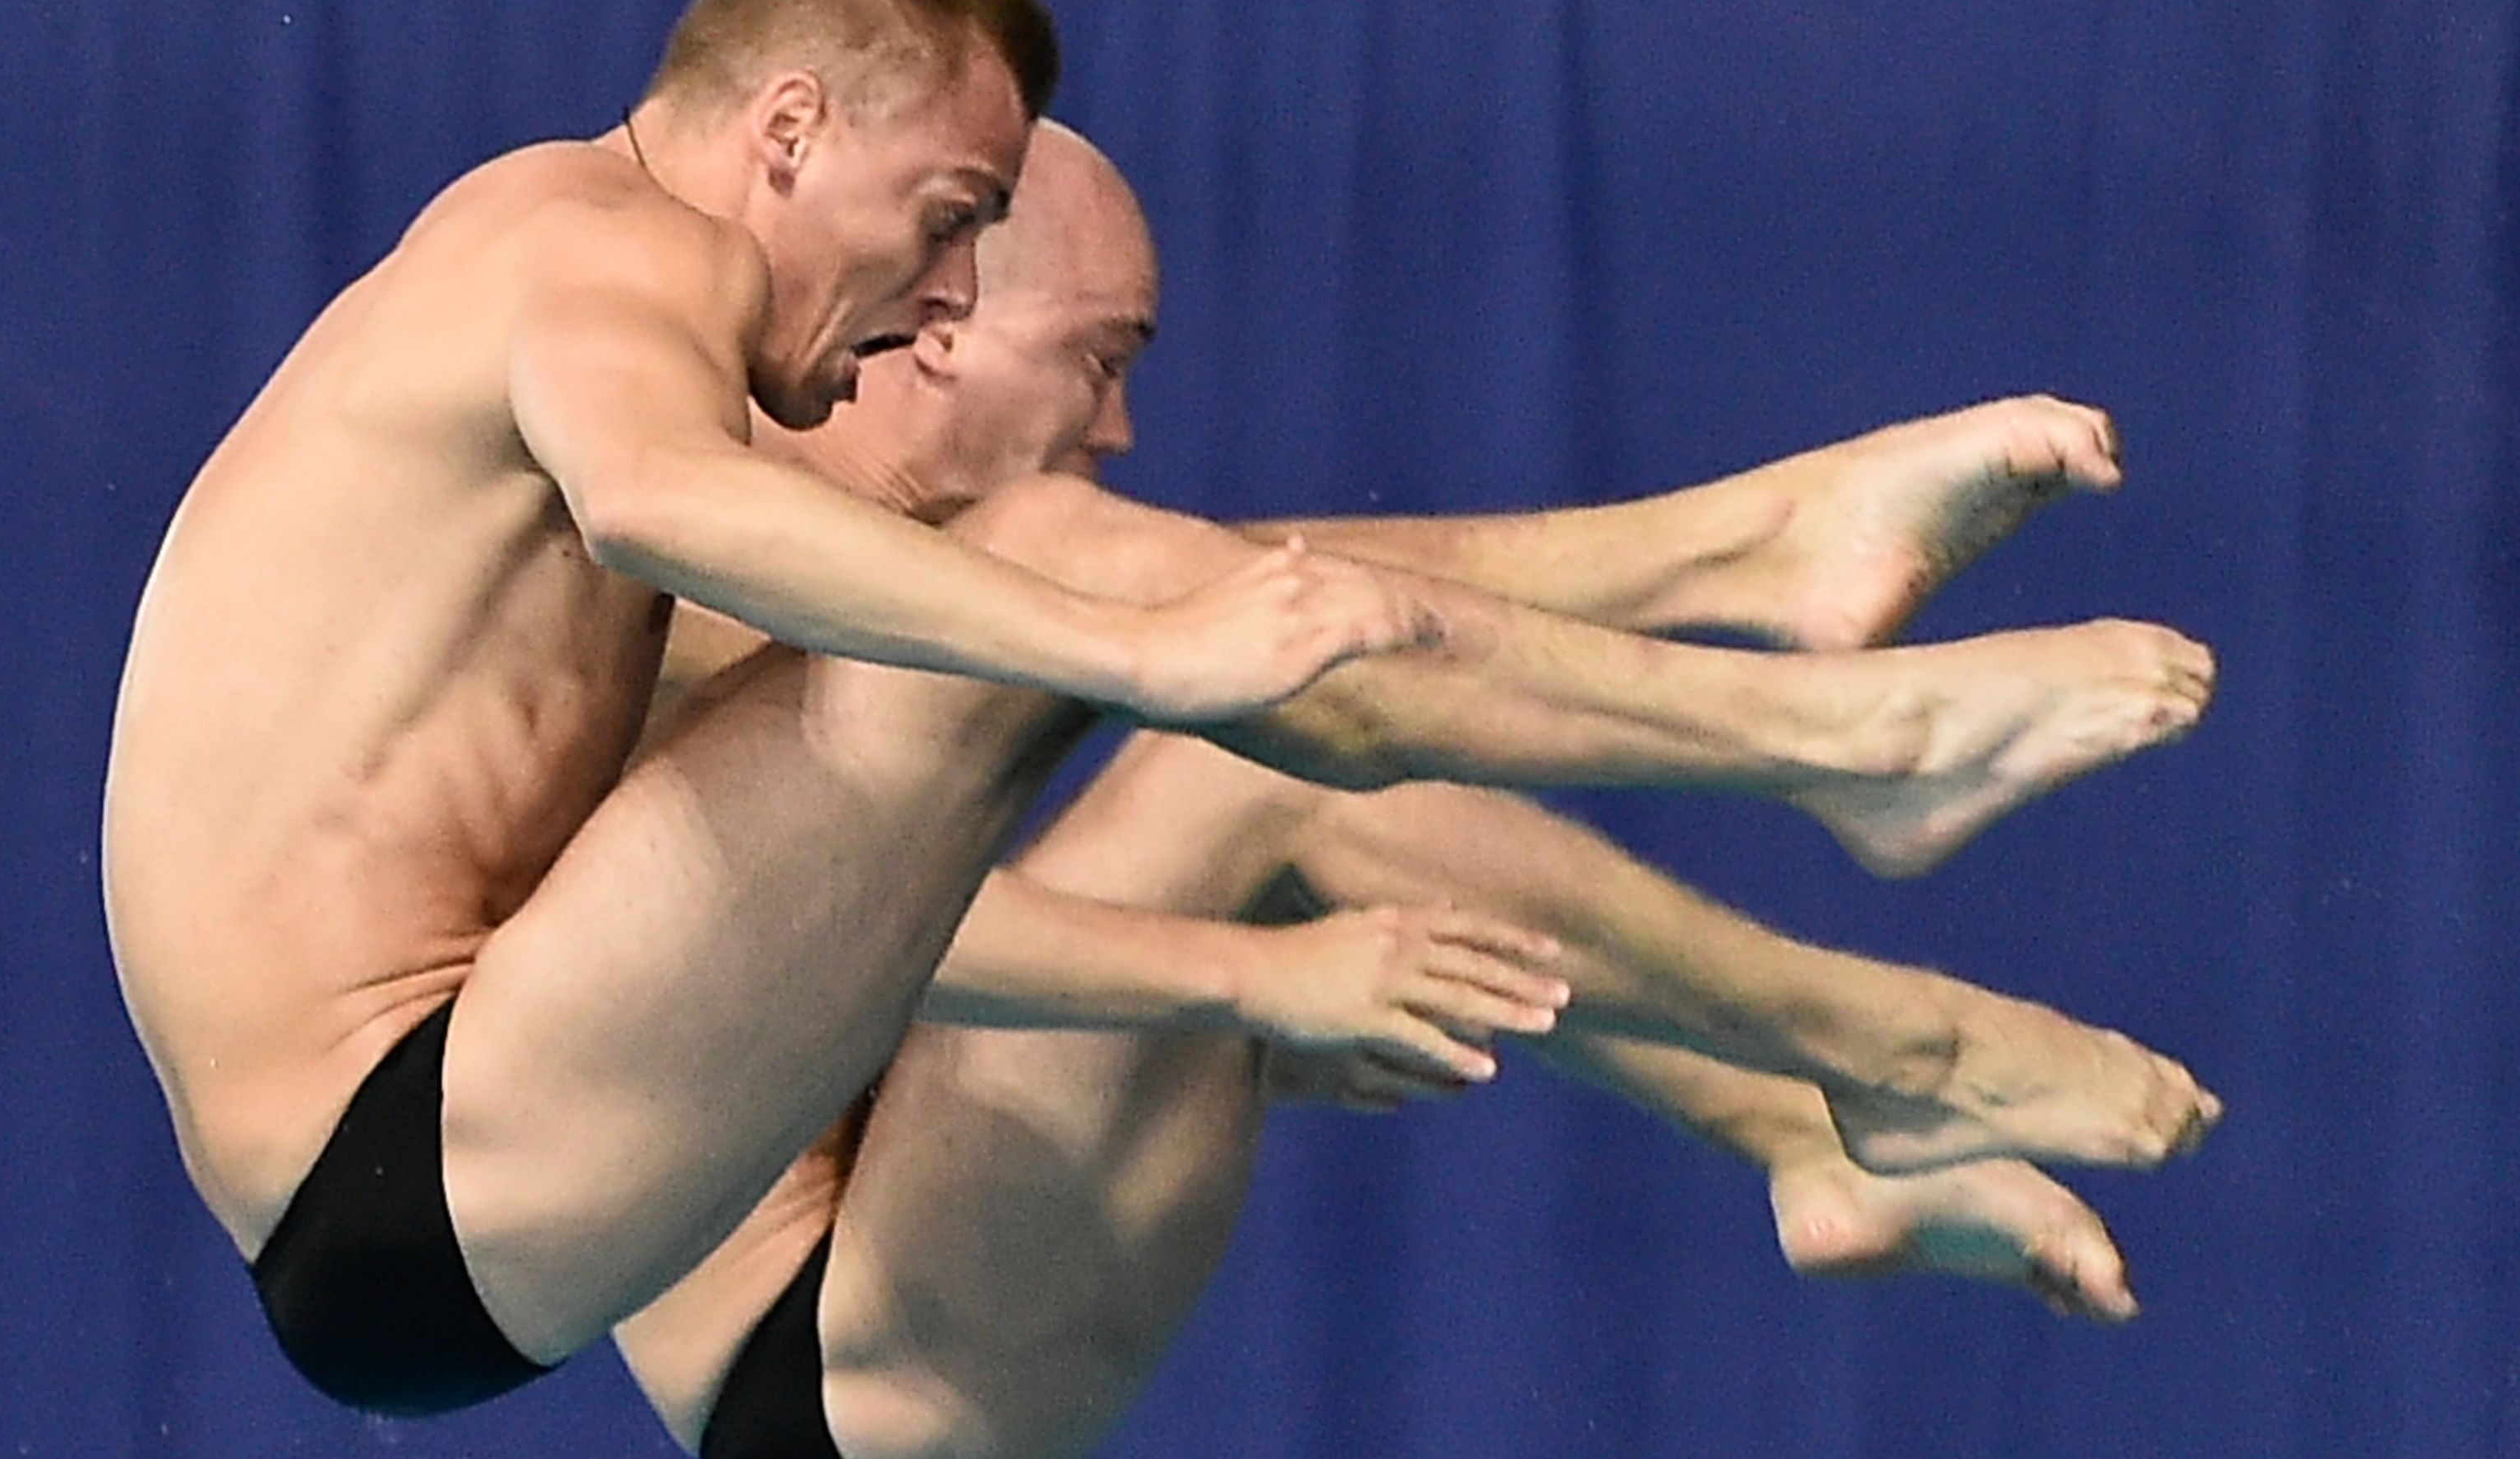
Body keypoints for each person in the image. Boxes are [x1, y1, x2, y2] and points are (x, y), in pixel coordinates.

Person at [102, 0, 2214, 1428]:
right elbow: (661, 506)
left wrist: (1166, 707)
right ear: (784, 129)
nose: (947, 301)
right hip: (495, 1211)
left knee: (1244, 710)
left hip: (461, 1187)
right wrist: (1162, 753)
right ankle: (1836, 752)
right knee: (1142, 656)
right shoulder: (610, 269)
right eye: (950, 233)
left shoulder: (601, 329)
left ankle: (1808, 948)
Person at [607, 123, 2219, 1459]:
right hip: (817, 1359)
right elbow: (805, 946)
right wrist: (1248, 978)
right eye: (1094, 361)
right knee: (1245, 749)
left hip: (913, 1248)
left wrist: (1228, 1029)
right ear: (937, 332)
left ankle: (1804, 1125)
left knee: (1284, 748)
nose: (1116, 425)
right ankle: (1885, 1010)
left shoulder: (865, 591)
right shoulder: (704, 558)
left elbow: (819, 1013)